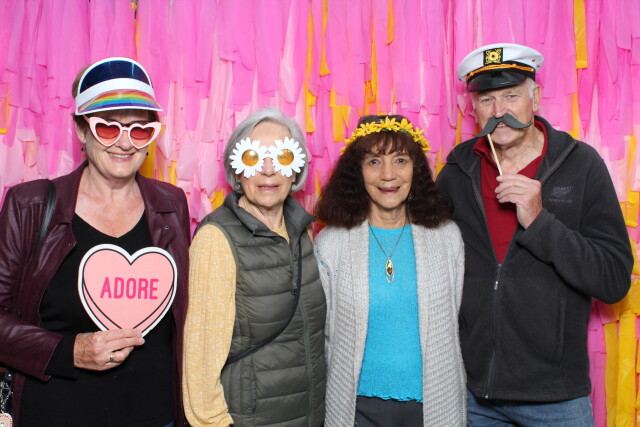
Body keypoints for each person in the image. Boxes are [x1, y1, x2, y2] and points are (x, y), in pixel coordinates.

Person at [436, 43, 633, 426]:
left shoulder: (581, 164)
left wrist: (541, 222)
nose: (499, 111)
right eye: (487, 99)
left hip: (556, 401)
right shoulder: (457, 170)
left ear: (536, 98)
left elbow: (613, 280)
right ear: (473, 108)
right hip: (474, 395)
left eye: (511, 95)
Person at [0, 57, 190, 426]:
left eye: (139, 130)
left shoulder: (170, 204)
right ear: (81, 131)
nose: (124, 143)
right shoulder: (31, 204)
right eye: (107, 128)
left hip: (156, 414)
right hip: (57, 413)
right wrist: (68, 351)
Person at [314, 115, 466, 426]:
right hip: (356, 408)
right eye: (374, 161)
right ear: (357, 171)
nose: (388, 175)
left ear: (416, 169)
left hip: (433, 406)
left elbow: (456, 318)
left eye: (400, 160)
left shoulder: (447, 238)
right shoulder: (331, 244)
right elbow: (323, 333)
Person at [182, 107, 326, 427]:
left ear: (296, 170)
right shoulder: (216, 240)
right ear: (237, 171)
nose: (268, 170)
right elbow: (200, 361)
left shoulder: (303, 231)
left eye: (282, 157)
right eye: (253, 157)